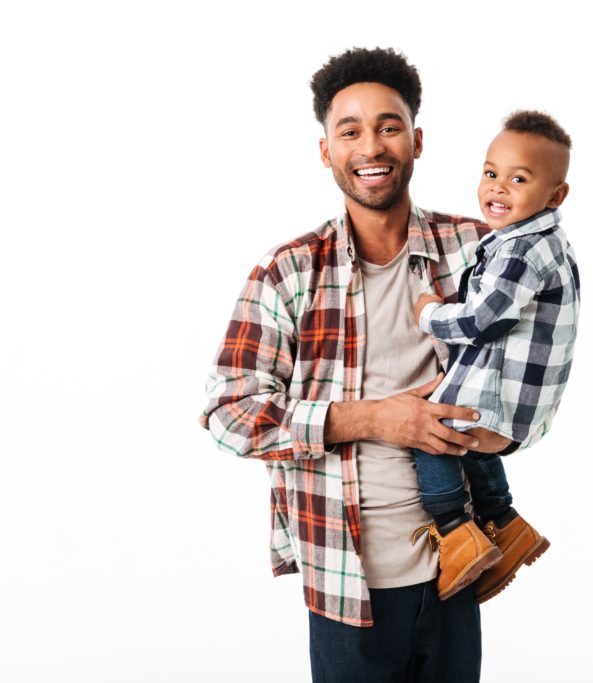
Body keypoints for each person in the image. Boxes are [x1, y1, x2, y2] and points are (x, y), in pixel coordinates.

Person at [199, 47, 501, 682]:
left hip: (460, 563)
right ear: (326, 150)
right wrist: (373, 420)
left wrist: (490, 425)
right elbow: (229, 413)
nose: (372, 146)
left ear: (417, 141)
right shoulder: (288, 272)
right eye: (351, 130)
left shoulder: (478, 250)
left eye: (389, 126)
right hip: (344, 578)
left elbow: (538, 369)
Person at [409, 111, 580, 604]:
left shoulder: (523, 251)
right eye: (491, 173)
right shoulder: (540, 242)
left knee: (431, 432)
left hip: (499, 392)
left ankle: (457, 531)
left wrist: (429, 314)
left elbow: (483, 320)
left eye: (519, 179)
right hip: (520, 399)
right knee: (471, 446)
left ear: (555, 195)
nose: (498, 188)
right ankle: (505, 524)